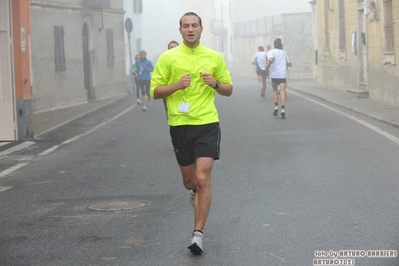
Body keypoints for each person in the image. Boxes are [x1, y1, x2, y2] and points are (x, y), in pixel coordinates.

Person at [150, 12, 233, 253]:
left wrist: (215, 84)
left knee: (203, 177)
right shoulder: (168, 58)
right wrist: (176, 86)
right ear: (180, 30)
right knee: (190, 181)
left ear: (201, 29)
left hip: (207, 123)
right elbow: (154, 91)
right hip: (180, 125)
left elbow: (228, 90)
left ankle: (198, 234)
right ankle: (195, 192)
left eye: (194, 25)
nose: (190, 29)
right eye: (186, 26)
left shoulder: (214, 57)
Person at [266, 38, 292, 119]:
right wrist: (283, 64)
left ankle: (276, 106)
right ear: (281, 45)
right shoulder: (284, 53)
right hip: (282, 75)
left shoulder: (271, 52)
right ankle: (283, 109)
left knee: (274, 90)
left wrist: (268, 65)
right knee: (282, 92)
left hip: (274, 75)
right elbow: (290, 64)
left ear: (274, 45)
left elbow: (271, 59)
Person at [162, 41, 179, 112]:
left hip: (184, 92)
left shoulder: (186, 60)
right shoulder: (163, 62)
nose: (173, 49)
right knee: (170, 113)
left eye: (175, 47)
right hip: (168, 92)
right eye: (171, 48)